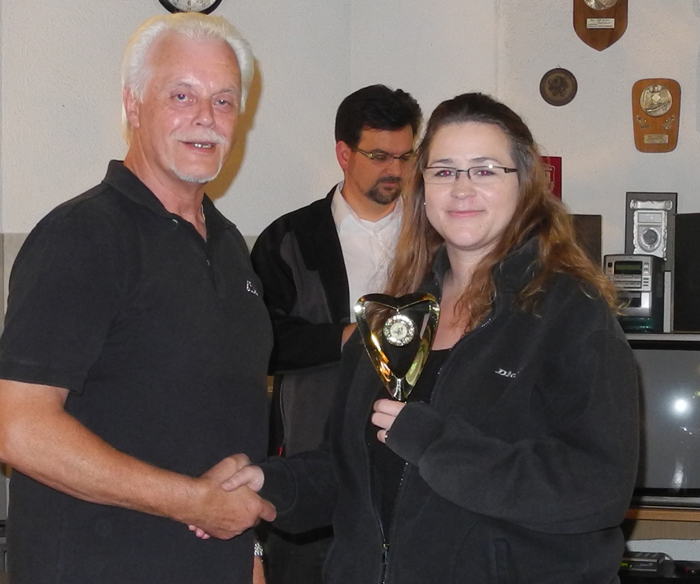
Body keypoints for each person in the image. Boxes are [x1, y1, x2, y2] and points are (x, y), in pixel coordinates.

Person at [218, 92, 640, 583]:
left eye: (484, 170)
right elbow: (348, 468)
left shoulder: (570, 313)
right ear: (422, 187)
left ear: (524, 182)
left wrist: (435, 444)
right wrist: (271, 484)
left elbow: (596, 489)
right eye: (444, 171)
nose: (462, 189)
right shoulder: (396, 314)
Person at [0, 13, 275, 584]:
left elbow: (219, 421)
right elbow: (17, 429)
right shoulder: (82, 235)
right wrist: (193, 502)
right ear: (133, 106)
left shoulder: (228, 245)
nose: (205, 116)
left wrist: (250, 554)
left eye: (223, 101)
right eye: (181, 95)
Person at [249, 84, 421, 584]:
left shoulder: (434, 236)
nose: (395, 170)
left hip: (414, 463)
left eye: (405, 156)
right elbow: (260, 341)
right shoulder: (289, 238)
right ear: (344, 154)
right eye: (379, 156)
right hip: (313, 460)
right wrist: (348, 338)